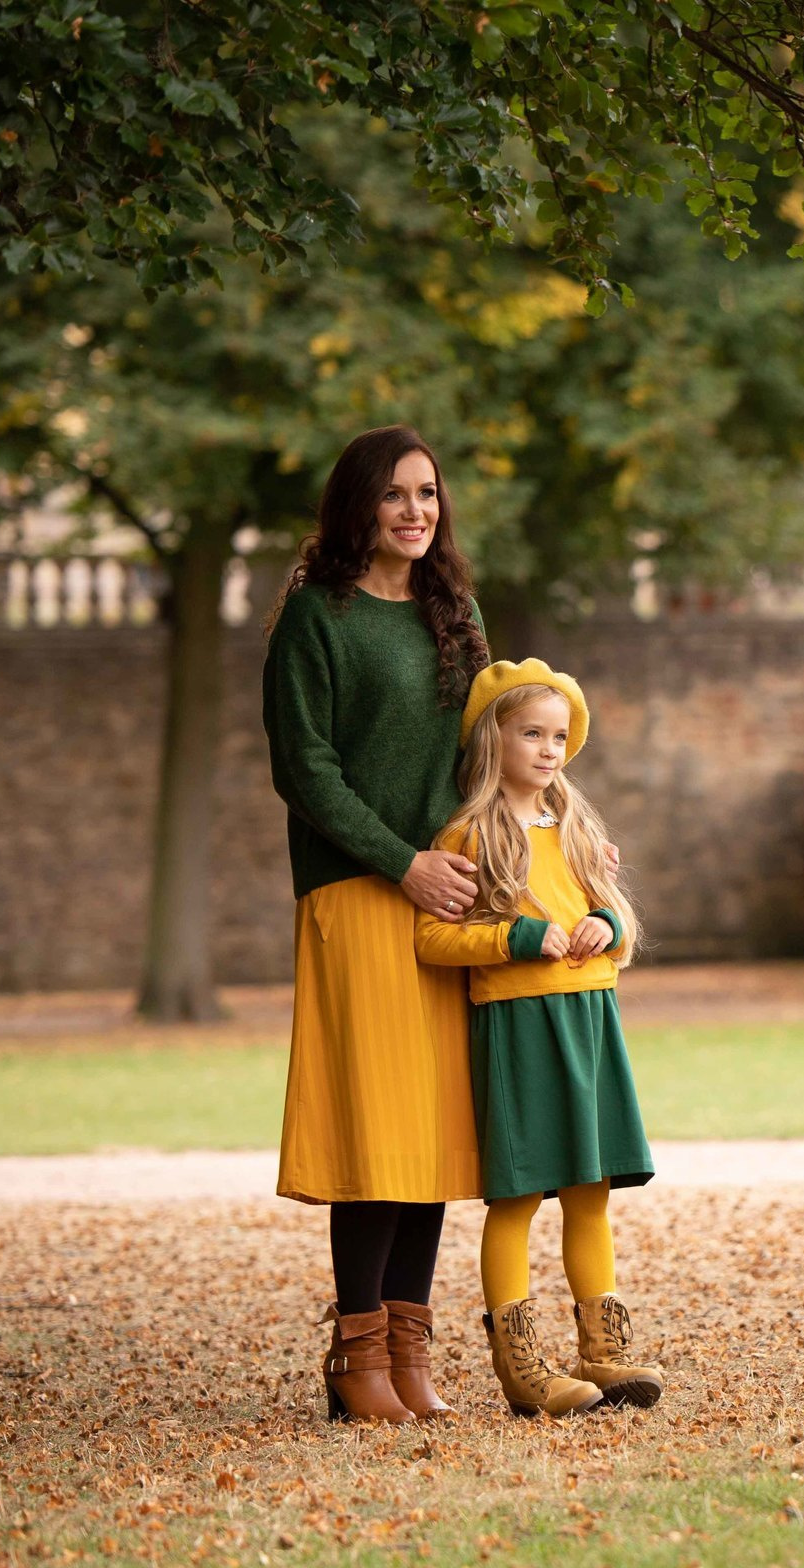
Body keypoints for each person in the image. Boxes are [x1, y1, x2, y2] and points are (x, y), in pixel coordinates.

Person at [264, 425, 491, 1425]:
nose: (415, 511)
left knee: (438, 1129)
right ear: (356, 506)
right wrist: (401, 863)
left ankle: (409, 1348)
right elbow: (304, 771)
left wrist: (541, 845)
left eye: (428, 494)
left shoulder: (456, 613)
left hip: (450, 891)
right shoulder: (317, 619)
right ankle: (355, 1351)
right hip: (359, 891)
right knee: (377, 1127)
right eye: (395, 494)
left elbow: (494, 745)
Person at [415, 660, 665, 1419]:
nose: (550, 749)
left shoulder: (579, 827)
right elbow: (433, 937)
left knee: (591, 1194)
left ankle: (605, 1350)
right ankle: (522, 1365)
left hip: (589, 1023)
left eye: (560, 735)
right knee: (519, 1198)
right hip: (518, 1026)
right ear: (495, 737)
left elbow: (620, 926)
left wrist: (608, 925)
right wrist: (519, 937)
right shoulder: (470, 830)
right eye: (532, 732)